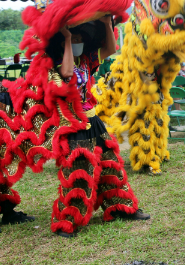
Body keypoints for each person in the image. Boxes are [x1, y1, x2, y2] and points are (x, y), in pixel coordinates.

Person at [49, 17, 150, 237]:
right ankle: (67, 221)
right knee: (78, 172)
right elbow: (67, 74)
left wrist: (106, 24)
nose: (77, 41)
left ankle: (119, 208)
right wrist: (67, 38)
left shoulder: (86, 60)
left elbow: (111, 48)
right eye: (73, 37)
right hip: (73, 123)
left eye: (78, 38)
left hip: (93, 119)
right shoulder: (57, 61)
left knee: (111, 163)